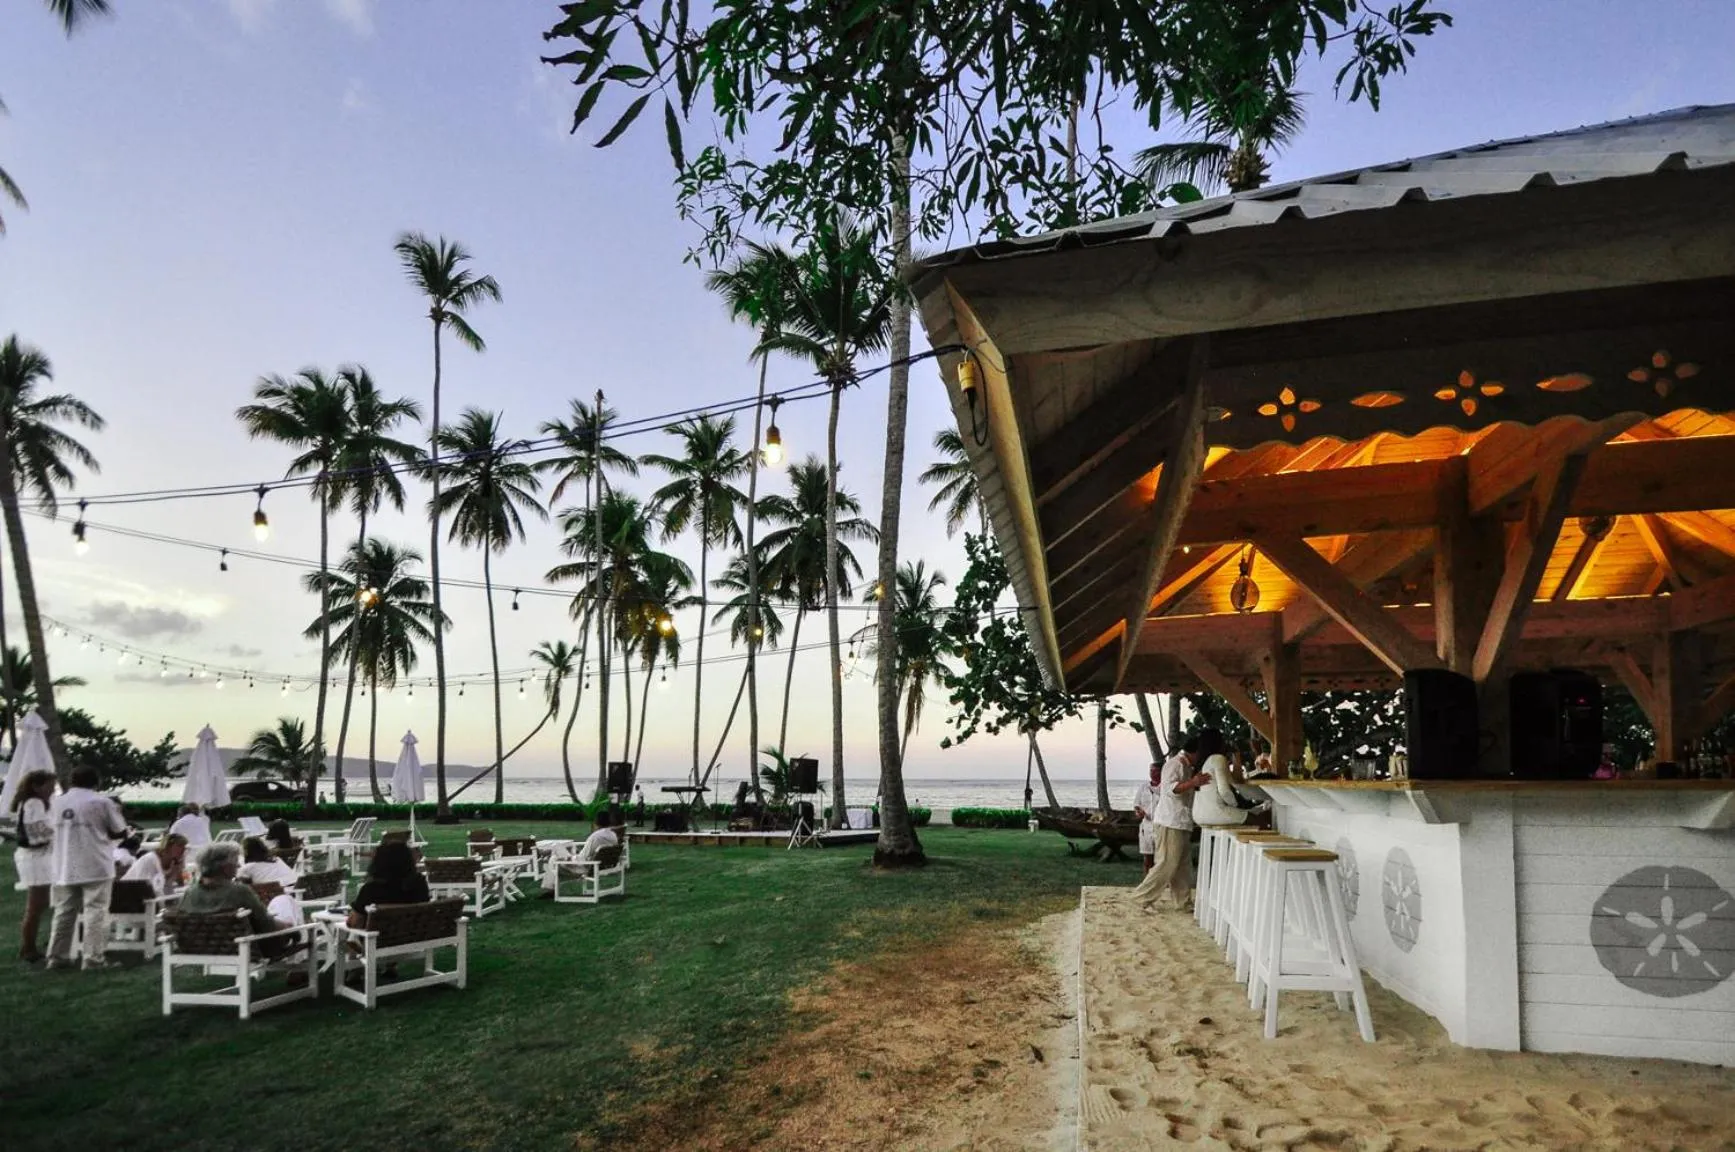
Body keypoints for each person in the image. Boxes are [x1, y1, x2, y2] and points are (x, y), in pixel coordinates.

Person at [47, 764, 129, 970]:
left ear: (71, 781)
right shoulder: (102, 802)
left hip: (64, 864)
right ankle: (93, 958)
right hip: (95, 863)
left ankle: (57, 956)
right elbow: (119, 831)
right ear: (96, 782)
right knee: (96, 911)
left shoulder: (56, 802)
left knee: (64, 911)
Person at [1129, 741, 1210, 912]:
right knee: (1167, 862)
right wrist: (1194, 782)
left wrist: (1195, 782)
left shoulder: (1187, 767)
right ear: (1193, 752)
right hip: (1170, 821)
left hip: (1182, 821)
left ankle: (1182, 902)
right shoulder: (1174, 765)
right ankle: (1142, 897)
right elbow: (1171, 789)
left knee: (1182, 865)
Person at [12, 769, 57, 965]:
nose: (52, 789)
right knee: (36, 905)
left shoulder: (35, 803)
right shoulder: (33, 803)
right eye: (49, 785)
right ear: (37, 786)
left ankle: (34, 944)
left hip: (39, 857)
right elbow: (37, 832)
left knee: (41, 903)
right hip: (35, 858)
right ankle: (27, 947)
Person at [347, 840, 430, 927]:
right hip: (414, 937)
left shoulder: (370, 890)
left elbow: (353, 922)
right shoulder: (419, 884)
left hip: (380, 938)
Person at [1192, 729, 1255, 827]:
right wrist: (1235, 805)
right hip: (1215, 813)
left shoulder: (1204, 762)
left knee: (1252, 817)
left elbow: (1236, 780)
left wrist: (1236, 757)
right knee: (1259, 820)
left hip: (1198, 814)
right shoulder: (1218, 758)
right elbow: (1224, 791)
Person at [122, 833, 188, 897]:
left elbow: (180, 884)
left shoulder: (175, 862)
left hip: (155, 898)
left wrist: (178, 869)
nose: (183, 849)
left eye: (184, 847)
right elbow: (146, 888)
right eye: (179, 846)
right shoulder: (150, 860)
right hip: (130, 895)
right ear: (168, 847)